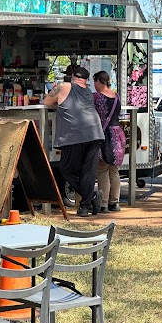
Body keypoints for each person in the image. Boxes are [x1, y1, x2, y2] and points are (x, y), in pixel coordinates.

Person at [43, 67, 104, 217]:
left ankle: (90, 198)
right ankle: (85, 206)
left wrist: (58, 103)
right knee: (88, 171)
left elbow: (47, 101)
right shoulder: (88, 92)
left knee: (66, 169)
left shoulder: (64, 86)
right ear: (86, 80)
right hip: (95, 132)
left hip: (75, 134)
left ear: (72, 76)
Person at [93, 71, 126, 212]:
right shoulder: (117, 97)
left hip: (103, 135)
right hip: (117, 134)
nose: (94, 85)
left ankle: (103, 203)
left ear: (99, 82)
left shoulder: (97, 97)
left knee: (102, 169)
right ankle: (115, 202)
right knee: (114, 170)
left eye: (95, 82)